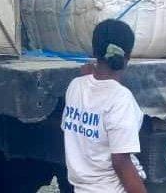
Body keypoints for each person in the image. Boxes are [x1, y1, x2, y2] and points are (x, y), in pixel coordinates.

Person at [62, 19, 147, 193]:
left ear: (94, 52)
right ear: (127, 56)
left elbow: (92, 88)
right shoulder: (121, 99)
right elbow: (120, 162)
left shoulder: (75, 86)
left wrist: (88, 75)